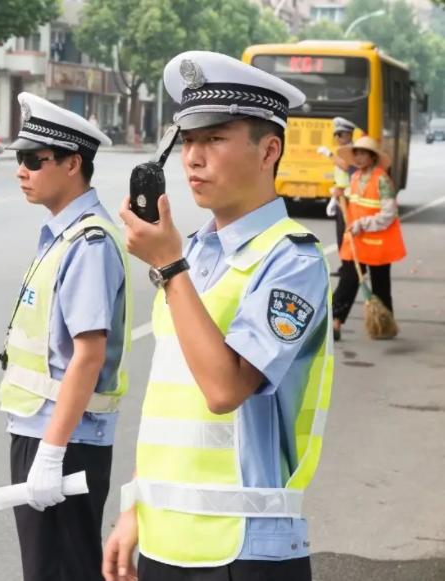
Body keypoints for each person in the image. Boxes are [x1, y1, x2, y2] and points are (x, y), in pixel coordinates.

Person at [106, 51, 334, 581]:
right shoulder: (194, 257)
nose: (193, 158)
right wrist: (135, 506)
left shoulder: (292, 259)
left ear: (268, 150)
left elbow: (223, 389)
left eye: (214, 139)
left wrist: (167, 264)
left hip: (243, 548)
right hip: (166, 540)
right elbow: (173, 398)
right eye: (187, 141)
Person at [0, 92, 131, 581]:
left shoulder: (88, 243)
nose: (22, 171)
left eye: (34, 160)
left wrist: (51, 455)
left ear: (73, 163)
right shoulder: (63, 234)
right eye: (19, 159)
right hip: (49, 429)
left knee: (61, 571)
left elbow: (88, 355)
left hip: (64, 436)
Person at [331, 136, 406, 340]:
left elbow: (388, 214)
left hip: (378, 243)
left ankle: (383, 324)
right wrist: (340, 196)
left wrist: (363, 224)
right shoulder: (354, 177)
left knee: (381, 285)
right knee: (347, 282)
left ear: (372, 157)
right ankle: (335, 322)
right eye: (357, 153)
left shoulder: (382, 180)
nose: (359, 157)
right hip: (356, 242)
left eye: (363, 153)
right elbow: (352, 201)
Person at [320, 117, 359, 249]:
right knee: (340, 232)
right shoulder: (342, 151)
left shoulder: (352, 151)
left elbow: (345, 166)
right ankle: (345, 265)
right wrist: (333, 198)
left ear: (349, 134)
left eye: (340, 134)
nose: (337, 137)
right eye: (335, 134)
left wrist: (329, 154)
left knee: (345, 233)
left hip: (349, 198)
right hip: (341, 196)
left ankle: (348, 267)